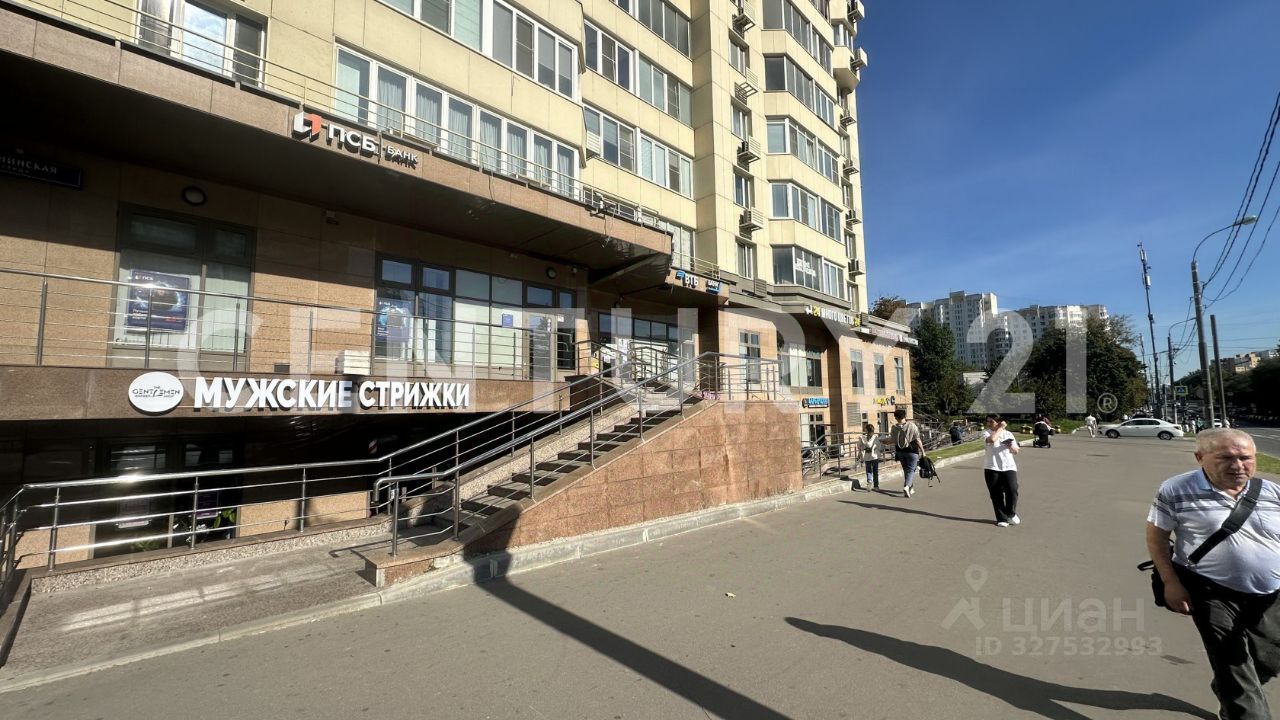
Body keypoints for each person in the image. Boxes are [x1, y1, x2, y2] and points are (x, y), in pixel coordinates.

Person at [1145, 429, 1280, 720]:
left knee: (1270, 658)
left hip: (1271, 594)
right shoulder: (1176, 489)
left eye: (1246, 458)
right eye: (1226, 458)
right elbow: (1157, 537)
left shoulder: (1273, 492)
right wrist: (1170, 582)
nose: (1238, 465)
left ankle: (1228, 689)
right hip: (1210, 590)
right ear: (1200, 458)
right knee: (1231, 661)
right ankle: (1240, 705)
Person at [982, 414, 1020, 527]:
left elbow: (1016, 451)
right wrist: (1000, 428)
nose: (988, 423)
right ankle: (1001, 518)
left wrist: (1010, 446)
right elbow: (992, 440)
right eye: (987, 421)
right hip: (991, 467)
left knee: (1012, 490)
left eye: (991, 421)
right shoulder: (986, 432)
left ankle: (1010, 513)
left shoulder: (1008, 434)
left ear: (998, 422)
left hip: (1009, 467)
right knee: (996, 494)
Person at [890, 407, 926, 498]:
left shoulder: (894, 428)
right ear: (905, 416)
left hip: (900, 451)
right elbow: (917, 439)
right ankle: (907, 486)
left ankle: (910, 488)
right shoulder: (912, 426)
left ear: (896, 417)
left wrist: (883, 441)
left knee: (906, 470)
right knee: (911, 470)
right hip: (912, 451)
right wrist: (923, 452)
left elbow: (893, 440)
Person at [857, 422, 882, 491]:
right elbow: (879, 447)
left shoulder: (862, 438)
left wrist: (863, 449)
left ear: (866, 430)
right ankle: (876, 486)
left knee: (868, 470)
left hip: (866, 456)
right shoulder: (875, 438)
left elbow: (859, 446)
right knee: (875, 471)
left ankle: (869, 480)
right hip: (874, 456)